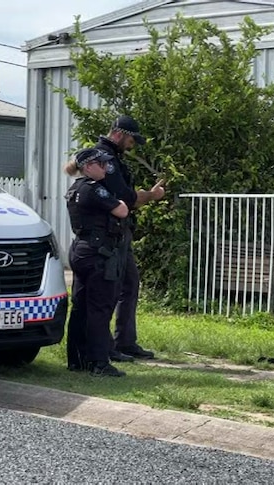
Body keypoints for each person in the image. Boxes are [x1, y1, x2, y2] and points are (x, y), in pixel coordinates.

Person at [95, 115, 166, 362]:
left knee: (129, 284)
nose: (133, 144)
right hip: (108, 235)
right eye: (132, 139)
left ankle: (125, 341)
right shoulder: (105, 159)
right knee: (112, 289)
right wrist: (152, 195)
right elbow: (126, 197)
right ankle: (108, 347)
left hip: (120, 233)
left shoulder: (112, 157)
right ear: (119, 133)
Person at [63, 147, 130, 377]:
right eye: (101, 164)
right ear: (88, 166)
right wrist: (119, 199)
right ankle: (99, 363)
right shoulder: (94, 190)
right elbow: (122, 210)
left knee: (80, 307)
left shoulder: (75, 188)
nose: (105, 168)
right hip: (97, 254)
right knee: (100, 308)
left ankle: (76, 359)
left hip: (81, 251)